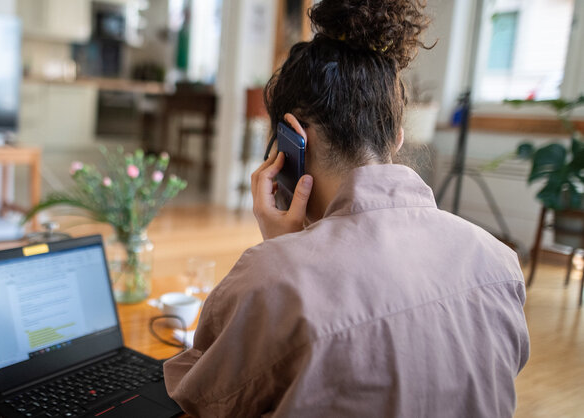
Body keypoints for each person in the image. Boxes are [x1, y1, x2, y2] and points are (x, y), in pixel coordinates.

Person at [163, 0, 530, 416]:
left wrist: (283, 255)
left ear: (293, 140)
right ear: (396, 139)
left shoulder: (270, 281)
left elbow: (197, 395)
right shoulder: (500, 264)